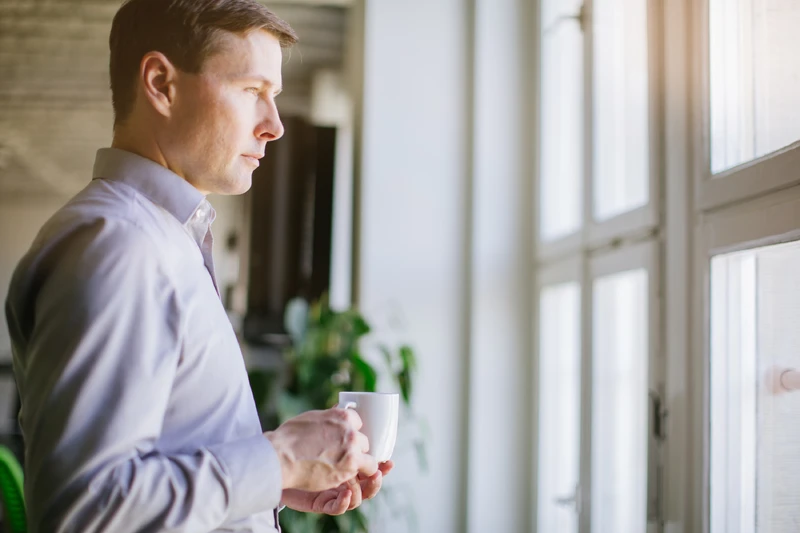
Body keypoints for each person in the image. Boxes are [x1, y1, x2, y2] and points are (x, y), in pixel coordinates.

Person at [3, 0, 392, 531]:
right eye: (253, 91)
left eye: (273, 97)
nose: (274, 125)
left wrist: (275, 481)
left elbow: (156, 466)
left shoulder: (162, 239)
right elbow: (86, 512)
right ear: (161, 83)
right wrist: (278, 457)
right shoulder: (121, 246)